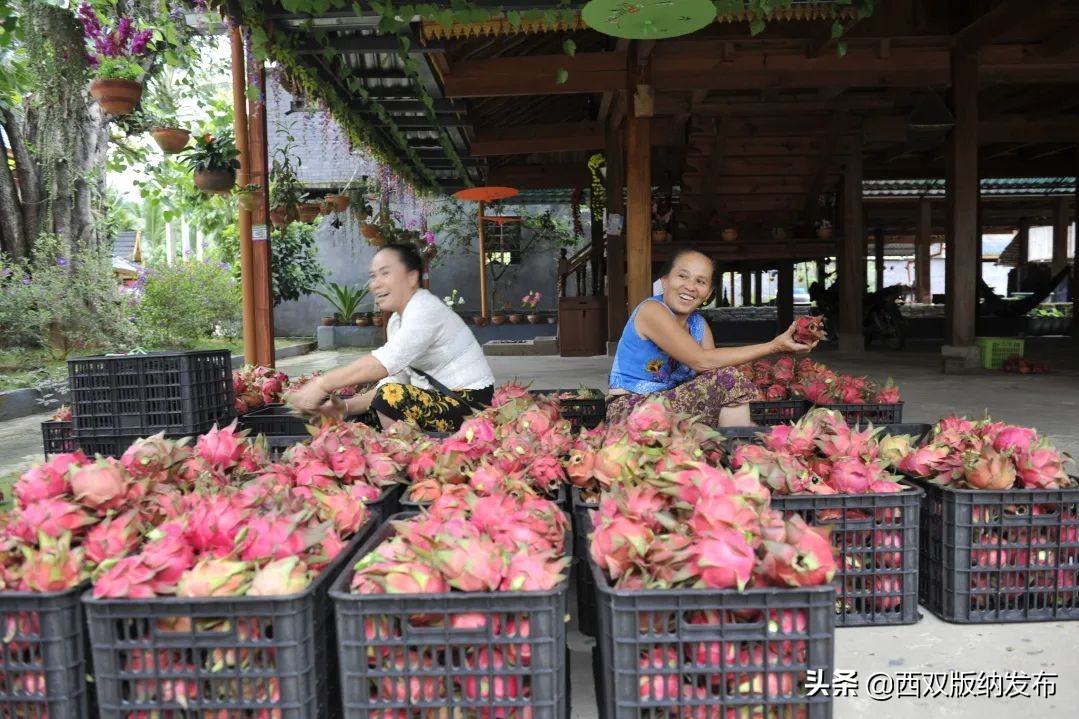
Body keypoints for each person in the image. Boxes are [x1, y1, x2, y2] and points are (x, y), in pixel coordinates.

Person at [288, 243, 496, 432]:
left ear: (412, 277)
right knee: (369, 414)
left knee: (390, 397)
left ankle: (408, 457)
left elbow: (383, 363)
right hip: (438, 398)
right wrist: (345, 407)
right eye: (373, 276)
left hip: (468, 403)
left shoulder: (425, 309)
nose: (375, 284)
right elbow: (398, 377)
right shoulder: (397, 321)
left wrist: (322, 384)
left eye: (385, 273)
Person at [607, 249, 819, 427]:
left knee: (728, 383)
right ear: (664, 281)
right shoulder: (652, 310)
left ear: (708, 293)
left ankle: (738, 446)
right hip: (631, 409)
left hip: (669, 406)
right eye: (682, 276)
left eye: (701, 281)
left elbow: (710, 371)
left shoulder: (698, 325)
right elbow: (701, 360)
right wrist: (774, 346)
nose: (690, 286)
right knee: (729, 380)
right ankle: (739, 450)